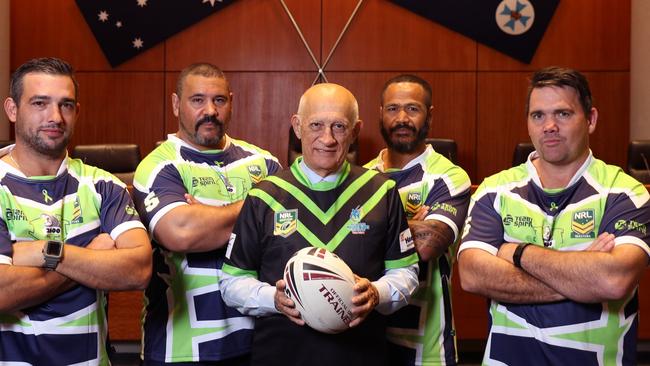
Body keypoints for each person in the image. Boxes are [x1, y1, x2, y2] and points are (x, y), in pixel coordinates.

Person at [458, 66, 650, 365]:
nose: (549, 126)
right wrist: (582, 273)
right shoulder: (495, 190)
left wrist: (518, 252)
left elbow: (613, 280)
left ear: (591, 120)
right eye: (538, 115)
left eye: (562, 114)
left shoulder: (624, 192)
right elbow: (472, 275)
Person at [219, 83, 420, 366]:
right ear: (297, 126)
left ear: (356, 131)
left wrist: (377, 293)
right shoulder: (264, 195)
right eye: (316, 125)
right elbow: (231, 282)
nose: (327, 138)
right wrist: (272, 299)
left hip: (361, 355)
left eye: (339, 126)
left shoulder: (381, 192)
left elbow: (406, 274)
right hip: (280, 355)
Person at [0, 57, 151, 365]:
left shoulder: (104, 186)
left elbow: (138, 270)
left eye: (66, 105)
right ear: (12, 109)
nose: (55, 116)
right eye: (40, 103)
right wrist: (89, 258)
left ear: (77, 112)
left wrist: (45, 252)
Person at [132, 63, 281, 365]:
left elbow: (292, 229)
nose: (210, 110)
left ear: (231, 103)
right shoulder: (159, 167)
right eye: (197, 100)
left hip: (259, 337)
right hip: (182, 346)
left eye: (219, 100)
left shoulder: (263, 162)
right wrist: (257, 206)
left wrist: (210, 216)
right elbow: (182, 233)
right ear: (176, 104)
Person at [365, 74, 471, 365]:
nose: (402, 118)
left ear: (429, 115)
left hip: (427, 346)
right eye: (392, 109)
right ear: (380, 113)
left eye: (412, 109)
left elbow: (427, 247)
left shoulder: (448, 177)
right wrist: (409, 222)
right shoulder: (361, 176)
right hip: (367, 332)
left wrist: (363, 228)